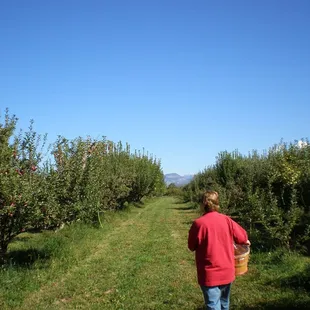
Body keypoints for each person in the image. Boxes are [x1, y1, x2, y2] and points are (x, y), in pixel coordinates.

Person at [188, 191, 250, 310]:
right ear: (217, 204)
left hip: (209, 274)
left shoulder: (198, 224)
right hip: (227, 270)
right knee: (224, 303)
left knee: (213, 305)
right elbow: (242, 237)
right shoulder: (226, 220)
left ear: (202, 204)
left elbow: (191, 246)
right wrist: (246, 241)